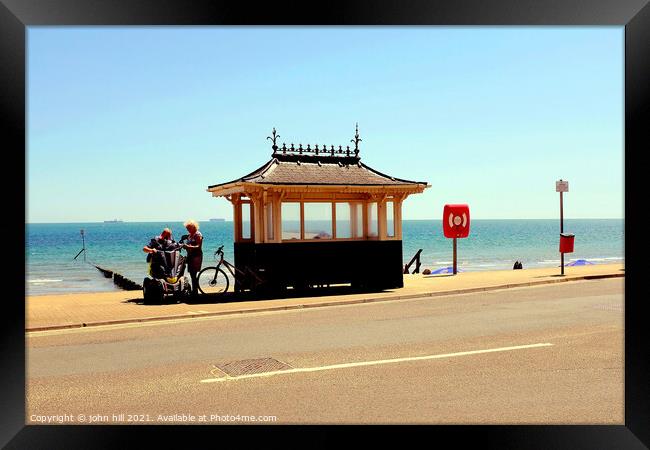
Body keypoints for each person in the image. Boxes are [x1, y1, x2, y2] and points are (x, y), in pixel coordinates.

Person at [181, 219, 203, 297]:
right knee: (192, 274)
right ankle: (194, 291)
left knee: (194, 274)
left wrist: (188, 246)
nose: (187, 230)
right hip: (190, 256)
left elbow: (198, 246)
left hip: (196, 256)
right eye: (187, 228)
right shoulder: (190, 235)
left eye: (189, 228)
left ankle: (195, 292)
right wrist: (184, 246)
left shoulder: (198, 234)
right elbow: (188, 245)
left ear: (193, 227)